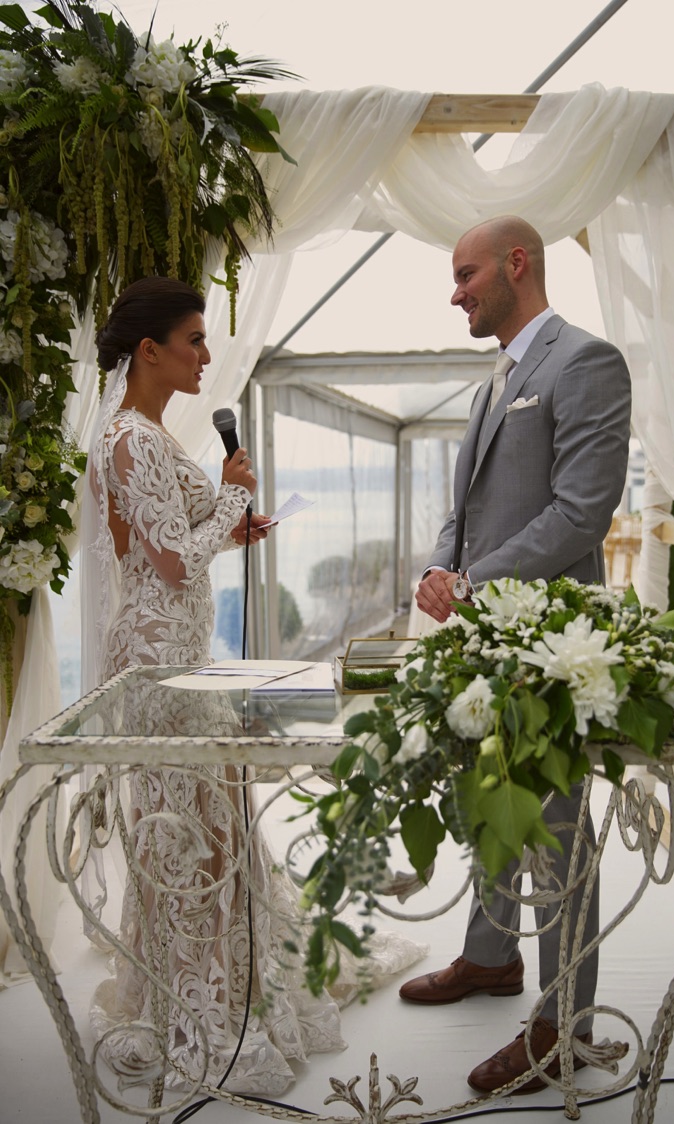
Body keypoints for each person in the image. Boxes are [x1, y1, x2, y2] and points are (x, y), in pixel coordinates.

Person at [80, 277, 424, 1098]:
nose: (206, 355)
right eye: (194, 340)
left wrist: (234, 528)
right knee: (185, 830)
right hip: (159, 662)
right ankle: (196, 1000)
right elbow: (170, 563)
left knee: (210, 818)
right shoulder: (129, 437)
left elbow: (175, 545)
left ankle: (223, 979)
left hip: (181, 649)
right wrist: (233, 492)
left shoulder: (150, 434)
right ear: (150, 351)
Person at [398, 216, 632, 1095]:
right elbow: (464, 510)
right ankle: (491, 957)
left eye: (466, 275)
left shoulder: (587, 362)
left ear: (516, 264)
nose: (455, 292)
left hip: (551, 641)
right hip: (485, 637)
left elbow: (580, 513)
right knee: (488, 797)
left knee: (556, 828)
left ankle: (564, 1023)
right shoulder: (494, 380)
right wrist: (438, 567)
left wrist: (472, 581)